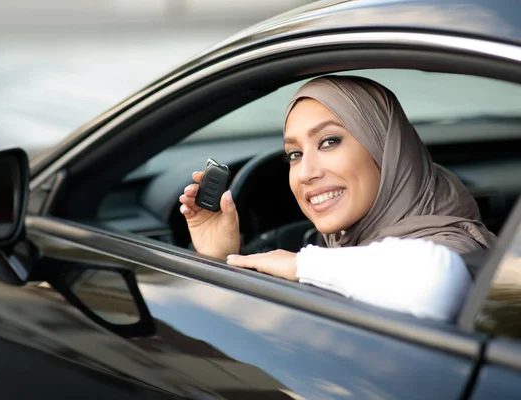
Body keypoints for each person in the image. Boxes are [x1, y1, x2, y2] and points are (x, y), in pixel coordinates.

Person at [178, 76, 496, 322]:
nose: (305, 172)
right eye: (295, 154)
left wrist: (300, 265)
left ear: (385, 149)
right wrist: (220, 260)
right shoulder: (344, 244)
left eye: (329, 141)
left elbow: (435, 281)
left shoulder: (455, 250)